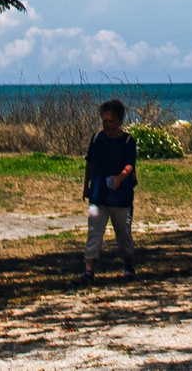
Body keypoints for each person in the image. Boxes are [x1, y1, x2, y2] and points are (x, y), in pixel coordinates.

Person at [79, 98, 138, 283]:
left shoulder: (128, 141)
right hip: (99, 195)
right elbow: (89, 163)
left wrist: (120, 178)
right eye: (104, 121)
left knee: (124, 233)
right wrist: (86, 186)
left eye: (110, 121)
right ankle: (89, 271)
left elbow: (130, 166)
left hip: (120, 198)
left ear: (119, 120)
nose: (107, 125)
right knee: (94, 233)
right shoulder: (97, 139)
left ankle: (128, 266)